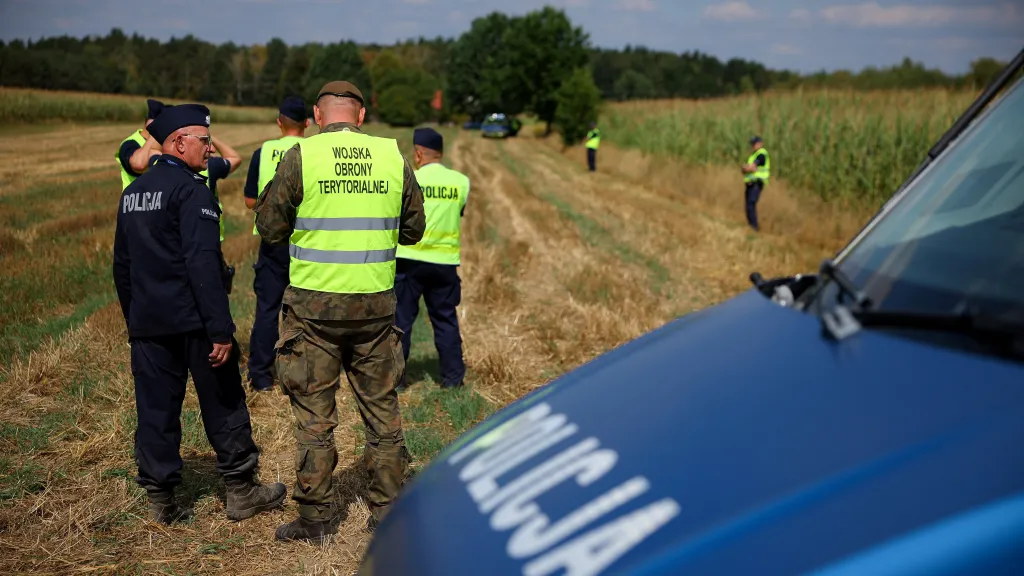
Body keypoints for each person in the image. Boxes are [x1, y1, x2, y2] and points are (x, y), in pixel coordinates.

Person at [255, 80, 425, 542]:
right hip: (375, 308)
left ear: (317, 114)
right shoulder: (392, 157)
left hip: (313, 311)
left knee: (314, 419)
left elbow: (268, 227)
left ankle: (315, 520)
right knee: (383, 414)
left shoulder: (301, 157)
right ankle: (388, 513)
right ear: (362, 115)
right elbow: (414, 232)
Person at [112, 103, 287, 525]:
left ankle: (161, 502)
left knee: (155, 410)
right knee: (224, 403)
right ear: (178, 142)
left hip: (149, 322)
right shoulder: (192, 190)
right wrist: (221, 330)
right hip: (195, 322)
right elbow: (202, 263)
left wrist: (135, 319)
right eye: (204, 141)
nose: (209, 149)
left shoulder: (132, 193)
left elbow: (122, 266)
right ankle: (242, 491)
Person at [243, 95, 310, 392]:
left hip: (272, 243)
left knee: (268, 309)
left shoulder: (263, 151)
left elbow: (249, 200)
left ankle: (260, 375)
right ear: (307, 124)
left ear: (279, 122)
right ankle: (303, 376)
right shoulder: (315, 151)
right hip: (307, 242)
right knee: (306, 310)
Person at [394, 127, 469, 391]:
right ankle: (452, 380)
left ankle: (397, 381)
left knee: (401, 321)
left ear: (418, 153)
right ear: (441, 153)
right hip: (444, 262)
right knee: (445, 319)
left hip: (409, 260)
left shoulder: (408, 179)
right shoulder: (461, 181)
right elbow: (459, 212)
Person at [115, 99, 164, 191]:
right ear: (146, 121)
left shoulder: (167, 144)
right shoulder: (130, 144)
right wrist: (158, 131)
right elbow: (139, 165)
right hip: (135, 203)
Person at [741, 135, 771, 232]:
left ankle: (754, 228)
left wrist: (747, 168)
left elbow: (751, 167)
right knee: (748, 206)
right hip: (750, 183)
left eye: (755, 143)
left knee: (751, 204)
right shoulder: (754, 155)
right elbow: (747, 168)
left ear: (760, 143)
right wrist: (747, 168)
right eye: (752, 144)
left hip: (756, 183)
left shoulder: (762, 154)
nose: (753, 145)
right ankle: (751, 226)